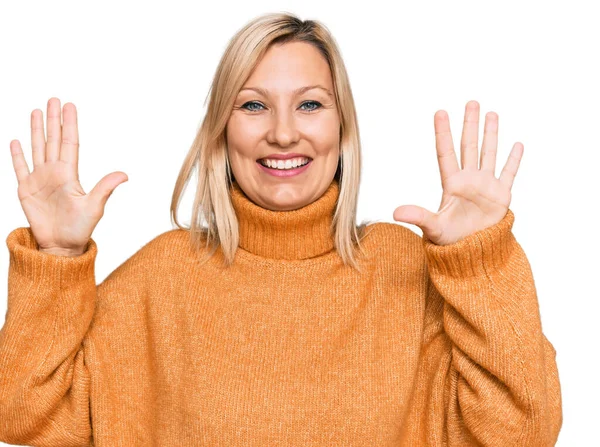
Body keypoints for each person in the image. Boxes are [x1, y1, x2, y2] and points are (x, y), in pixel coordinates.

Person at [0, 12, 562, 447]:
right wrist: (55, 255)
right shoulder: (164, 275)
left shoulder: (404, 271)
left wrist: (479, 261)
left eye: (311, 104)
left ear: (342, 127)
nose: (284, 133)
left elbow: (521, 429)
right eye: (253, 106)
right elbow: (25, 410)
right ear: (222, 129)